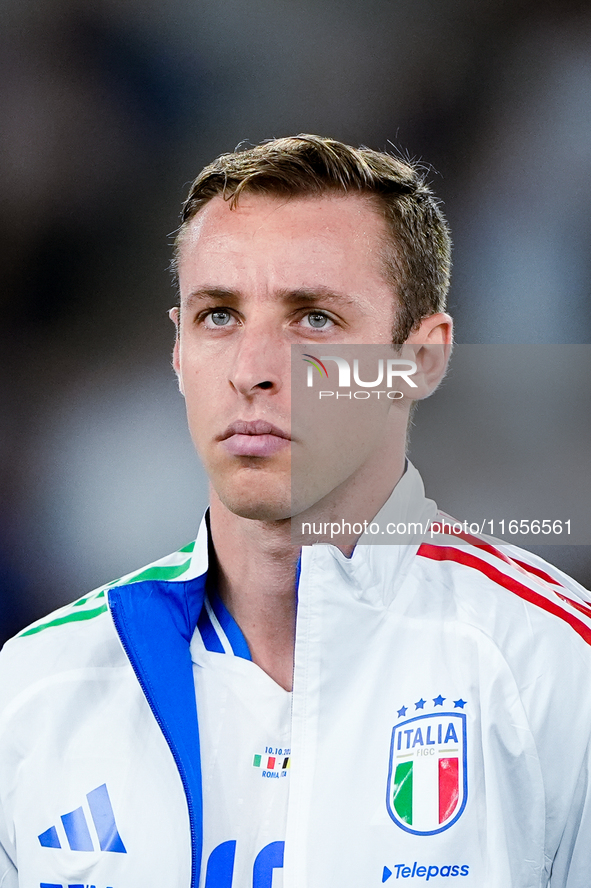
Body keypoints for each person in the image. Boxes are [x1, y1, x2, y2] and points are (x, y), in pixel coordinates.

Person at [0, 135, 590, 888]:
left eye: (313, 319)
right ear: (178, 351)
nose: (253, 371)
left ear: (421, 360)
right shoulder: (34, 691)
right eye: (218, 316)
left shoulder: (553, 668)